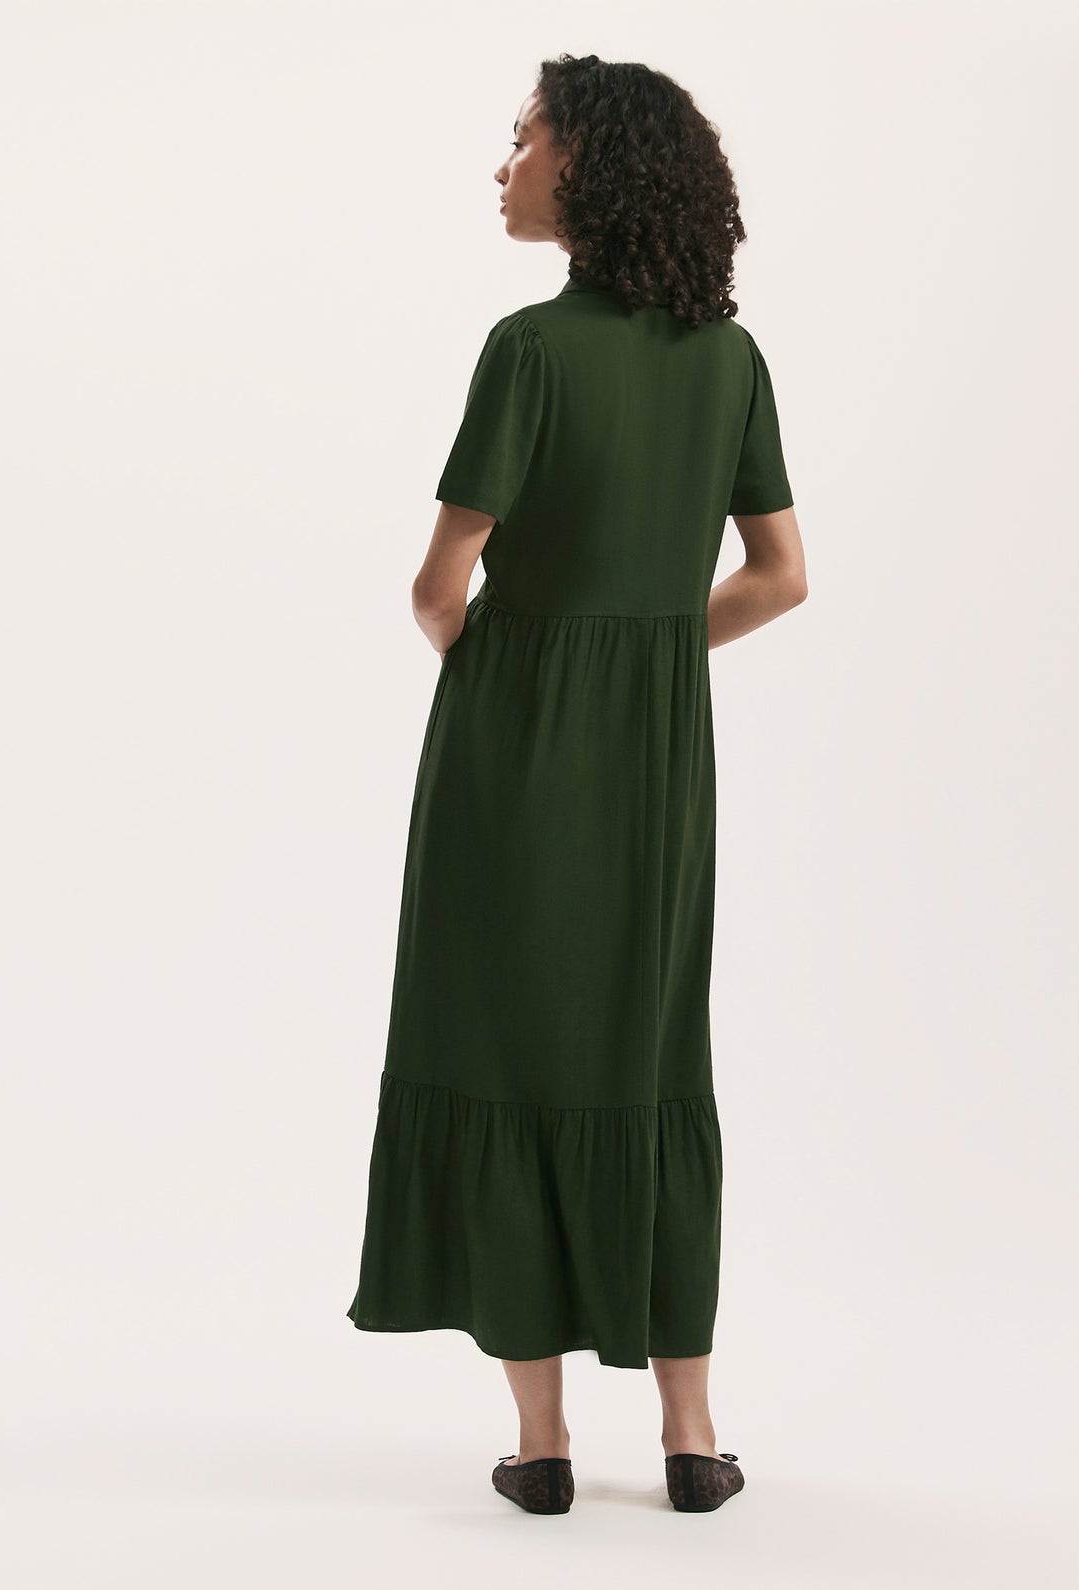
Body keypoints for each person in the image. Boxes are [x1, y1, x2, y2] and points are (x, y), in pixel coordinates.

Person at [345, 53, 807, 1516]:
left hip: (511, 738)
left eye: (524, 141)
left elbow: (438, 584)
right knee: (647, 1045)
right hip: (660, 754)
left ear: (589, 171)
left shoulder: (528, 351)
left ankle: (540, 1444)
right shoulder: (729, 361)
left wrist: (505, 659)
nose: (505, 167)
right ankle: (690, 1431)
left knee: (497, 1033)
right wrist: (655, 644)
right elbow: (782, 578)